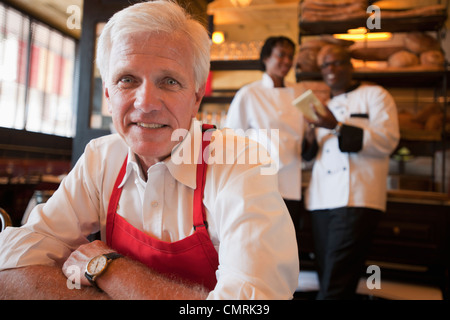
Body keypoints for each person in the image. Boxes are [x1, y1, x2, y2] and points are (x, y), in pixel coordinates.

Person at [0, 0, 299, 300]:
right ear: (108, 94)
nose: (146, 103)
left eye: (169, 81)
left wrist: (112, 270)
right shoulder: (101, 157)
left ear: (196, 98)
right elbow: (10, 266)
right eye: (127, 80)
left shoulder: (239, 164)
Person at [303, 44, 400, 299]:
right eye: (325, 65)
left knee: (335, 284)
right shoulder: (323, 106)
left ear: (350, 66)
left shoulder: (376, 96)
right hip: (321, 201)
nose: (330, 69)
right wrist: (310, 134)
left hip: (357, 198)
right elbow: (310, 157)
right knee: (328, 278)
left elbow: (387, 141)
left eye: (337, 63)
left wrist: (336, 126)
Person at [224, 36, 311, 239]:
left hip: (291, 181)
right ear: (265, 58)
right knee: (260, 240)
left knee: (287, 242)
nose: (287, 61)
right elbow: (230, 139)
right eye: (281, 55)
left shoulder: (300, 93)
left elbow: (310, 134)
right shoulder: (249, 93)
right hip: (259, 181)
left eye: (290, 56)